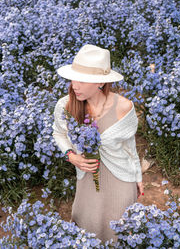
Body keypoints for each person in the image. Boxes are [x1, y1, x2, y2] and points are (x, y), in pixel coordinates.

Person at [52, 44, 144, 243]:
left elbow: (130, 147)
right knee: (87, 225)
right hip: (87, 180)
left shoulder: (124, 107)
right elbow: (59, 134)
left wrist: (137, 175)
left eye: (83, 80)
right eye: (73, 78)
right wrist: (71, 156)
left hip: (120, 180)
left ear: (101, 83)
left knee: (118, 230)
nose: (74, 85)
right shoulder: (65, 104)